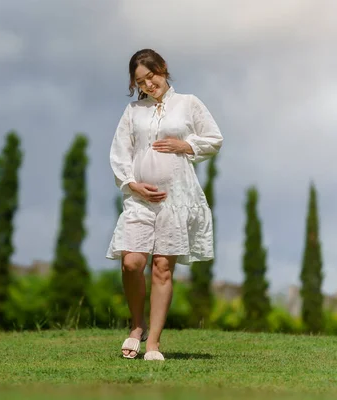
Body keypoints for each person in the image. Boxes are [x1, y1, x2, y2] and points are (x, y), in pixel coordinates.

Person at [106, 48, 223, 361]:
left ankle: (154, 343)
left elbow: (214, 138)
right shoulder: (133, 112)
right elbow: (119, 152)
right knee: (132, 262)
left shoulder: (188, 103)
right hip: (138, 199)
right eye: (141, 82)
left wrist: (184, 145)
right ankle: (137, 325)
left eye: (151, 77)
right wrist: (132, 184)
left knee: (162, 268)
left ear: (163, 69)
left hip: (176, 198)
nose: (148, 85)